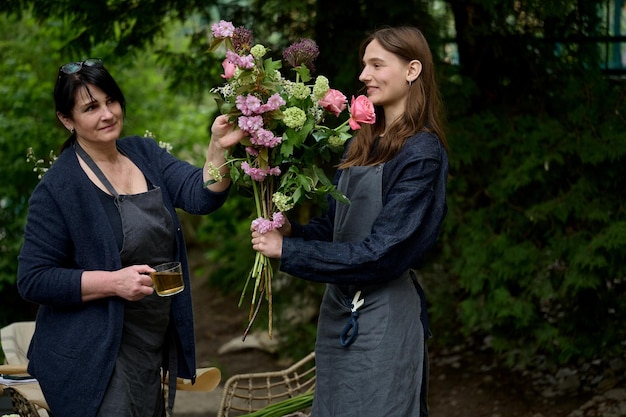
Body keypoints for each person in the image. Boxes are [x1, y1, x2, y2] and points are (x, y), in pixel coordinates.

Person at [17, 58, 246, 417]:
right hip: (92, 355)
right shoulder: (58, 188)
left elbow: (200, 195)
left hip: (149, 338)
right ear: (66, 119)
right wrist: (113, 282)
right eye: (91, 107)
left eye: (112, 101)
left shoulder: (143, 153)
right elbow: (33, 279)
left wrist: (219, 147)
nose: (107, 113)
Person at [251, 26, 448, 417]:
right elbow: (335, 228)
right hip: (339, 312)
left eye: (377, 64)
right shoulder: (360, 140)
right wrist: (292, 231)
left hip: (384, 317)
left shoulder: (422, 152)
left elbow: (383, 253)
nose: (363, 75)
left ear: (412, 70)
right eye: (364, 65)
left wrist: (289, 251)